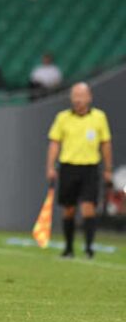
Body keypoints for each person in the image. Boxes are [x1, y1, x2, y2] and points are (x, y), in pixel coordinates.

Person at [46, 83, 112, 259]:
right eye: (75, 95)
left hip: (90, 168)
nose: (77, 99)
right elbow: (54, 143)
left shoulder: (99, 117)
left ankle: (89, 248)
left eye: (81, 95)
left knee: (88, 207)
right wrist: (50, 166)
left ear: (89, 97)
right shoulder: (63, 118)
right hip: (68, 167)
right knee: (68, 209)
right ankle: (68, 248)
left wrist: (108, 168)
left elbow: (105, 144)